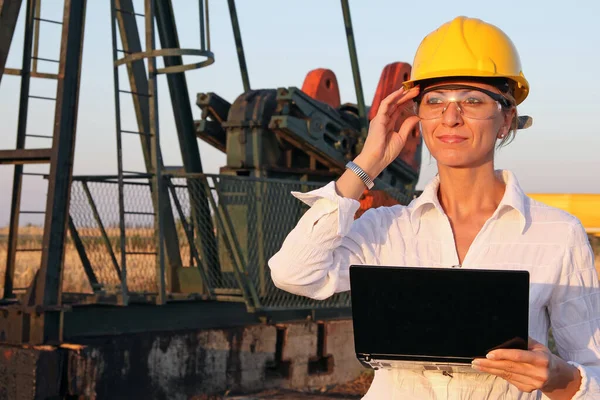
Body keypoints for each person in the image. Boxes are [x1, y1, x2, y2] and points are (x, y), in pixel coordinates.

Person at [268, 16, 600, 400]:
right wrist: (368, 163)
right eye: (435, 101)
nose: (451, 117)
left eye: (473, 100)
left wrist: (558, 377)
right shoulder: (385, 230)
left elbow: (592, 372)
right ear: (418, 116)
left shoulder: (557, 234)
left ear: (506, 118)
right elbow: (293, 273)